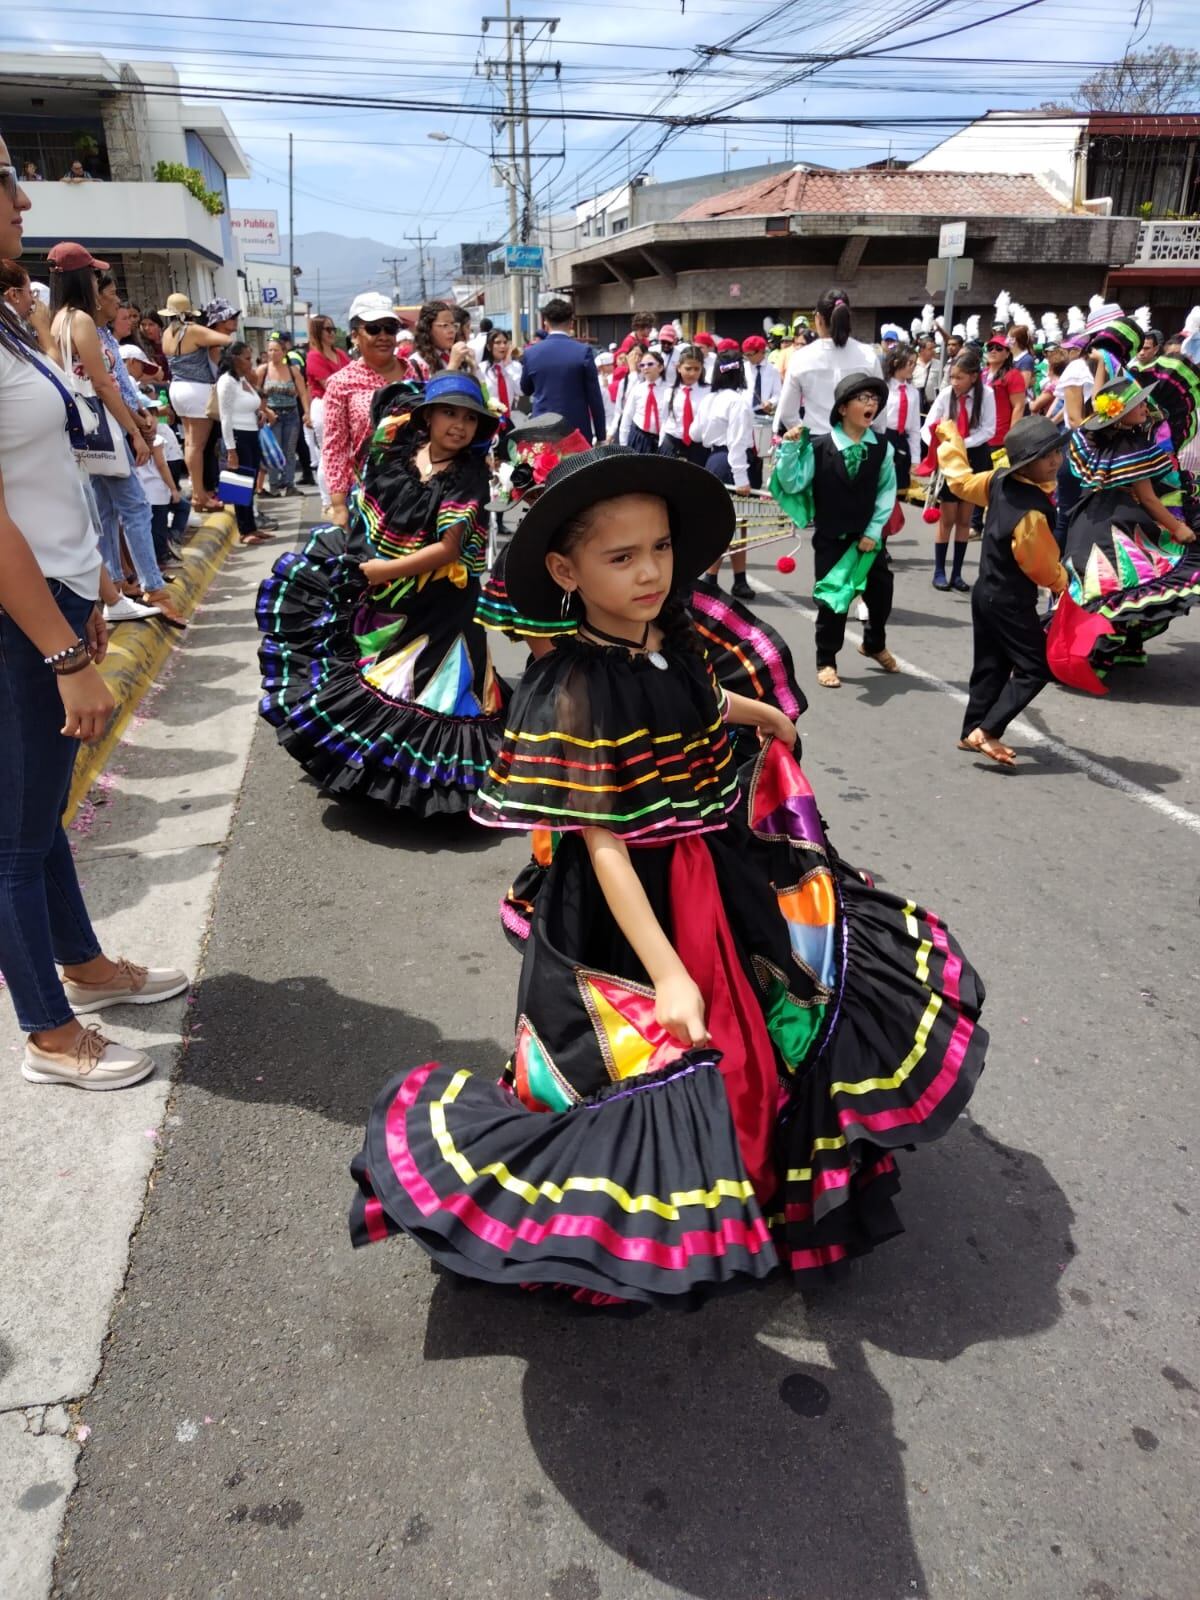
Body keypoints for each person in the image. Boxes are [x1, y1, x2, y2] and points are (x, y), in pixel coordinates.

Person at [348, 443, 987, 1302]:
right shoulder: (571, 687)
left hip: (707, 869)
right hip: (623, 915)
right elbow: (603, 842)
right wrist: (670, 975)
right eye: (621, 557)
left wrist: (769, 718)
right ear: (564, 570)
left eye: (660, 548)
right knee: (638, 1063)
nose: (650, 571)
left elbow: (700, 699)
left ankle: (745, 1180)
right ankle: (613, 1226)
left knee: (765, 1029)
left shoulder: (671, 633)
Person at [0, 136, 187, 1090]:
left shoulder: (8, 323)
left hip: (55, 600)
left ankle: (83, 966)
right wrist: (61, 649)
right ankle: (46, 1030)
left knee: (42, 816)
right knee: (13, 835)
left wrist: (92, 593)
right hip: (19, 620)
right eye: (4, 183)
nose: (22, 204)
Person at [257, 372, 509, 816]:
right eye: (449, 413)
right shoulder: (400, 458)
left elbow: (448, 548)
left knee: (435, 685)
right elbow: (369, 507)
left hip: (447, 601)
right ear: (427, 417)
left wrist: (382, 570)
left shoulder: (470, 476)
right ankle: (374, 770)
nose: (459, 425)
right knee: (386, 672)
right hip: (397, 592)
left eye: (470, 418)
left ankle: (430, 790)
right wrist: (366, 566)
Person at [48, 248, 185, 627]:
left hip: (81, 431)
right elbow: (104, 385)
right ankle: (154, 588)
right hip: (103, 429)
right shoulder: (82, 322)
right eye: (94, 276)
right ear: (83, 279)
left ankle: (120, 588)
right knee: (136, 508)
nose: (99, 284)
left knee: (106, 513)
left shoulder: (58, 320)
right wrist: (135, 433)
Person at [938, 415, 1067, 765]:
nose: (1054, 460)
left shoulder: (998, 480)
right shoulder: (1032, 514)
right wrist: (1064, 583)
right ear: (1028, 462)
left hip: (986, 592)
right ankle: (988, 730)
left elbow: (961, 482)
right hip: (1010, 599)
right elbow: (1040, 566)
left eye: (1056, 451)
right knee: (1036, 667)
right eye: (1045, 456)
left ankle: (971, 731)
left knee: (991, 664)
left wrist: (950, 442)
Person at [1061, 372, 1199, 674]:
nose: (1145, 407)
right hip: (1119, 526)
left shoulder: (1099, 439)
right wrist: (1178, 528)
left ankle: (1112, 650)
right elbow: (1148, 498)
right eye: (1138, 404)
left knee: (1101, 587)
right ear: (1121, 414)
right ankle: (1105, 653)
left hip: (1088, 521)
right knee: (1128, 583)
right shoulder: (1132, 446)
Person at [773, 372, 898, 688]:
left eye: (875, 399)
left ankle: (873, 643)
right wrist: (788, 450)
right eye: (863, 398)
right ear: (843, 408)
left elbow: (886, 491)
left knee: (880, 594)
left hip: (868, 540)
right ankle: (826, 659)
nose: (872, 404)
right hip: (833, 539)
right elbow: (793, 482)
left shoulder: (883, 448)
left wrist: (874, 531)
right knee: (832, 602)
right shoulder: (818, 448)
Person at [320, 292, 410, 530]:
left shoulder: (417, 373)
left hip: (419, 495)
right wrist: (338, 506)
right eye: (373, 329)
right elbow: (335, 447)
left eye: (390, 328)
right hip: (369, 499)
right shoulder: (341, 383)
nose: (383, 336)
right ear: (354, 336)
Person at [922, 351, 996, 592]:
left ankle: (957, 574)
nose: (954, 382)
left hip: (974, 457)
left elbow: (988, 430)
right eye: (952, 377)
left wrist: (963, 443)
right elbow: (927, 427)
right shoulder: (946, 395)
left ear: (974, 377)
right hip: (951, 459)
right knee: (948, 518)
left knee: (965, 519)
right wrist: (942, 445)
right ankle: (939, 571)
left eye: (960, 378)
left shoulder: (988, 395)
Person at [777, 286, 882, 436]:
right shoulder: (868, 355)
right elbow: (880, 410)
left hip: (816, 444)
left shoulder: (801, 357)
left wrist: (804, 436)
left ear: (818, 319)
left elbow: (787, 413)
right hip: (858, 443)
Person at [160, 291, 231, 513]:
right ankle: (200, 495)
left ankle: (198, 491)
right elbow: (226, 339)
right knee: (196, 446)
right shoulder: (191, 331)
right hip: (197, 389)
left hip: (177, 389)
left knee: (190, 443)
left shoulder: (166, 334)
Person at [693, 348, 756, 600]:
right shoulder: (738, 401)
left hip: (712, 460)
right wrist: (742, 478)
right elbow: (738, 442)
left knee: (727, 523)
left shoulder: (708, 399)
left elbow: (696, 434)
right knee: (733, 525)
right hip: (731, 462)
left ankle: (731, 578)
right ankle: (715, 578)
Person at [519, 296, 607, 444]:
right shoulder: (583, 351)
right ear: (571, 323)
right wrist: (601, 436)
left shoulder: (531, 353)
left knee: (544, 466)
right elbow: (594, 397)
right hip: (576, 430)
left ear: (545, 322)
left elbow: (526, 389)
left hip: (541, 428)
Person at [217, 341, 272, 546]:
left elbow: (251, 403)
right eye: (247, 358)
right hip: (237, 436)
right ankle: (244, 530)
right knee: (240, 485)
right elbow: (225, 417)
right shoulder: (227, 382)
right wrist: (231, 449)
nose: (251, 362)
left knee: (249, 483)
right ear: (234, 359)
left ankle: (251, 526)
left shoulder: (242, 380)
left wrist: (258, 413)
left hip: (251, 434)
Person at [256, 334, 310, 497]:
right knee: (273, 451)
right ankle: (273, 486)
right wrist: (265, 411)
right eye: (270, 350)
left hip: (291, 415)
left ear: (284, 352)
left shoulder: (293, 370)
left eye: (277, 350)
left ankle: (289, 484)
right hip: (272, 416)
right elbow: (256, 393)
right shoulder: (262, 370)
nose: (273, 353)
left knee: (289, 451)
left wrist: (307, 412)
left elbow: (302, 392)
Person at [304, 313, 349, 506]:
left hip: (343, 404)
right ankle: (326, 500)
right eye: (328, 329)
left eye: (333, 329)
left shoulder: (339, 354)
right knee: (327, 453)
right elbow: (328, 385)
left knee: (344, 453)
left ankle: (341, 495)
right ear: (317, 332)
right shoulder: (314, 356)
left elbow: (354, 374)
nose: (332, 333)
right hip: (324, 405)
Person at [657, 344, 708, 465]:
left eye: (697, 369)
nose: (692, 373)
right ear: (679, 367)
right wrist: (661, 443)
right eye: (688, 368)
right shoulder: (669, 392)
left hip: (698, 446)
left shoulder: (708, 392)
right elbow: (664, 420)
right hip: (672, 444)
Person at [881, 345, 921, 497]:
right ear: (897, 362)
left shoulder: (913, 392)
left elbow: (915, 428)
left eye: (915, 363)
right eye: (910, 363)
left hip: (902, 441)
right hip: (884, 437)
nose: (913, 367)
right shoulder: (883, 387)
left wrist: (916, 458)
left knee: (897, 491)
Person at [616, 347, 669, 453]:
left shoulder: (669, 390)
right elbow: (627, 416)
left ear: (660, 367)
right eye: (642, 365)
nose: (645, 368)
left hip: (661, 440)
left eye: (650, 364)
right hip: (640, 437)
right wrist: (623, 444)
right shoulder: (637, 389)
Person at [410, 299, 474, 381]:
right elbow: (436, 392)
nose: (452, 330)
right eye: (445, 325)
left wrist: (473, 368)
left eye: (453, 325)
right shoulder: (417, 363)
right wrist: (453, 365)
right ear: (428, 328)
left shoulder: (459, 355)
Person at [479, 326, 522, 416]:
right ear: (489, 347)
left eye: (505, 342)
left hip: (508, 420)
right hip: (489, 418)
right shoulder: (481, 369)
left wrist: (508, 366)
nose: (502, 346)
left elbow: (520, 391)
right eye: (498, 343)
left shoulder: (515, 367)